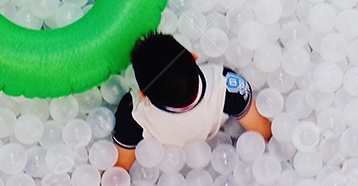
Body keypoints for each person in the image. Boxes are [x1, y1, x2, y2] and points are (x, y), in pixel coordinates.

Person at [112, 32, 272, 170]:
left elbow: (119, 171)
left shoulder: (133, 115)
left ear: (142, 94)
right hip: (217, 154)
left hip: (169, 167)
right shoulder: (226, 86)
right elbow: (265, 132)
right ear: (194, 56)